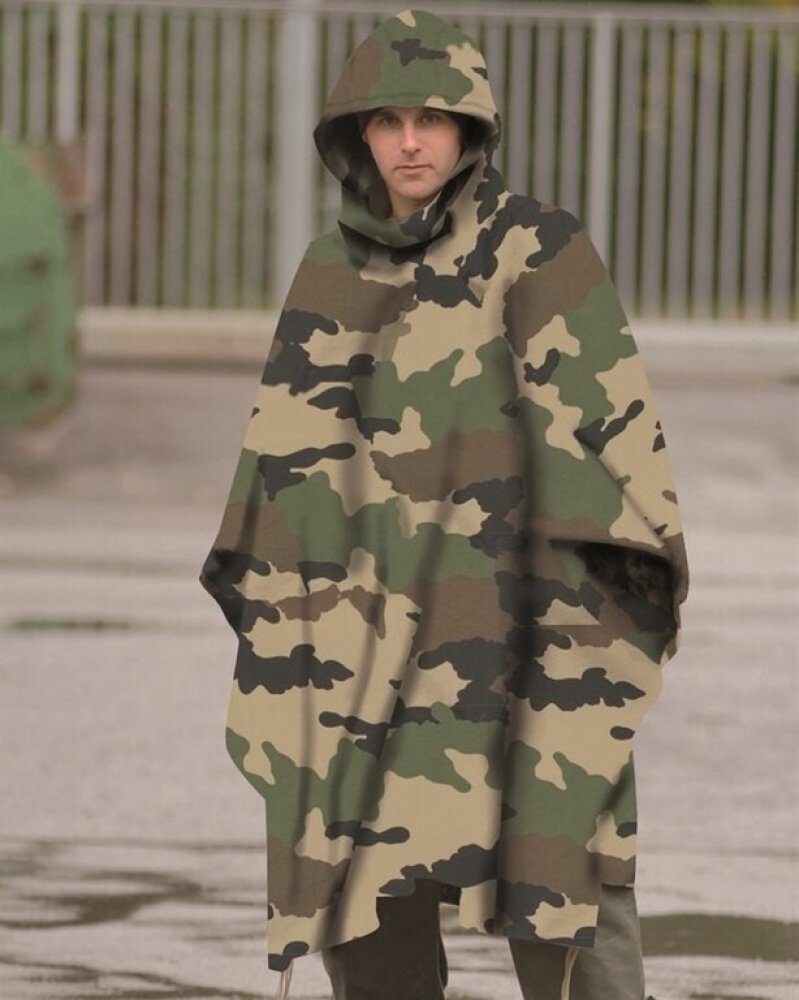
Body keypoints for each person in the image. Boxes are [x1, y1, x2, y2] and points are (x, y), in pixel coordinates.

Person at [201, 9, 688, 999]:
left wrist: (595, 626)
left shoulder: (540, 250)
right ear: (357, 134)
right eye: (387, 120)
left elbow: (616, 454)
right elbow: (282, 483)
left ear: (470, 128)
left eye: (432, 118)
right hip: (363, 647)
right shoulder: (329, 274)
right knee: (362, 879)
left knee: (564, 870)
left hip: (526, 639)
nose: (411, 141)